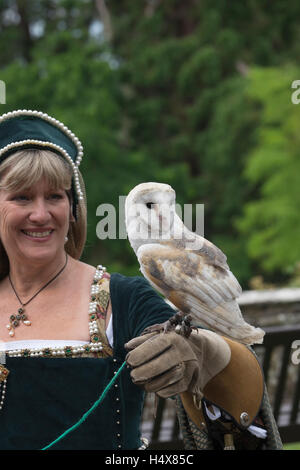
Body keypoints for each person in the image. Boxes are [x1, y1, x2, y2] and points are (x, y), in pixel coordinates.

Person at [0, 110, 282, 450]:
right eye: (22, 197)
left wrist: (200, 351)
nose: (41, 214)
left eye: (55, 197)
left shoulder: (122, 297)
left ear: (73, 210)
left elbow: (228, 362)